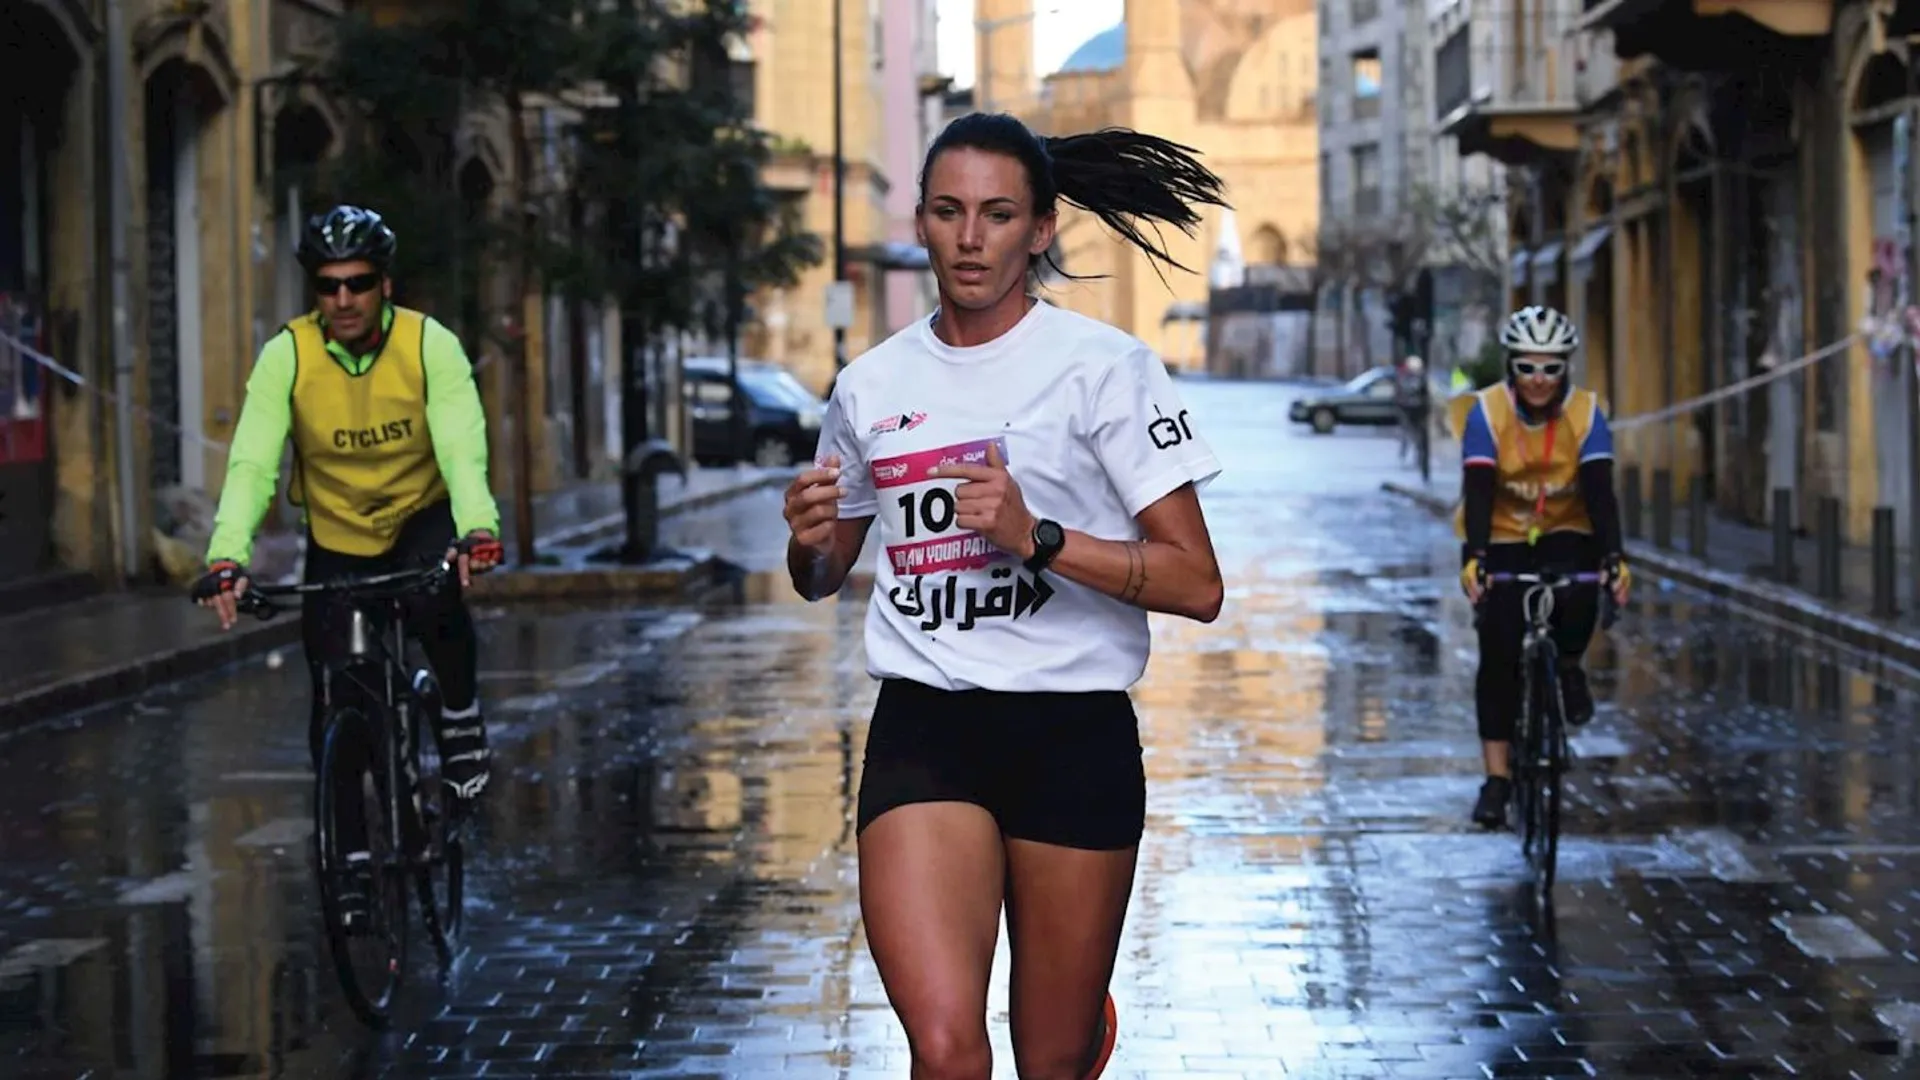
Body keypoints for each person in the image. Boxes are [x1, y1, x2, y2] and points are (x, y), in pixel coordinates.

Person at [781, 112, 1227, 1080]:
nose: (970, 238)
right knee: (946, 1055)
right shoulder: (871, 384)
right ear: (923, 222)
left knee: (1051, 1062)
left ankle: (1073, 1024)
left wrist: (1039, 540)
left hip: (1072, 735)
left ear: (1041, 228)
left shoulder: (1106, 370)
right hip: (926, 727)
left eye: (995, 214)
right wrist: (808, 544)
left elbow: (1197, 584)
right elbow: (822, 578)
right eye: (948, 212)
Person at [190, 204, 503, 922]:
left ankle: (459, 718)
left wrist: (476, 527)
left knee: (435, 602)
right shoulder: (287, 355)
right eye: (328, 286)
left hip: (420, 520)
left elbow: (462, 445)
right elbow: (252, 462)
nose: (343, 300)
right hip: (337, 536)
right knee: (336, 698)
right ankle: (353, 861)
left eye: (358, 283)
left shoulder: (431, 346)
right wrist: (227, 556)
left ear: (384, 284)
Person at [1456, 305, 1631, 829]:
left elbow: (1601, 492)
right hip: (1504, 533)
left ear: (1566, 370)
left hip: (1568, 528)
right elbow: (1479, 492)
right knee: (1498, 649)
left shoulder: (1587, 412)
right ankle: (1497, 780)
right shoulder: (1485, 413)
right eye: (1528, 367)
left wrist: (1614, 558)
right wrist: (1476, 559)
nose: (1538, 380)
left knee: (1580, 599)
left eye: (1551, 368)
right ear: (1511, 367)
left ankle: (1570, 666)